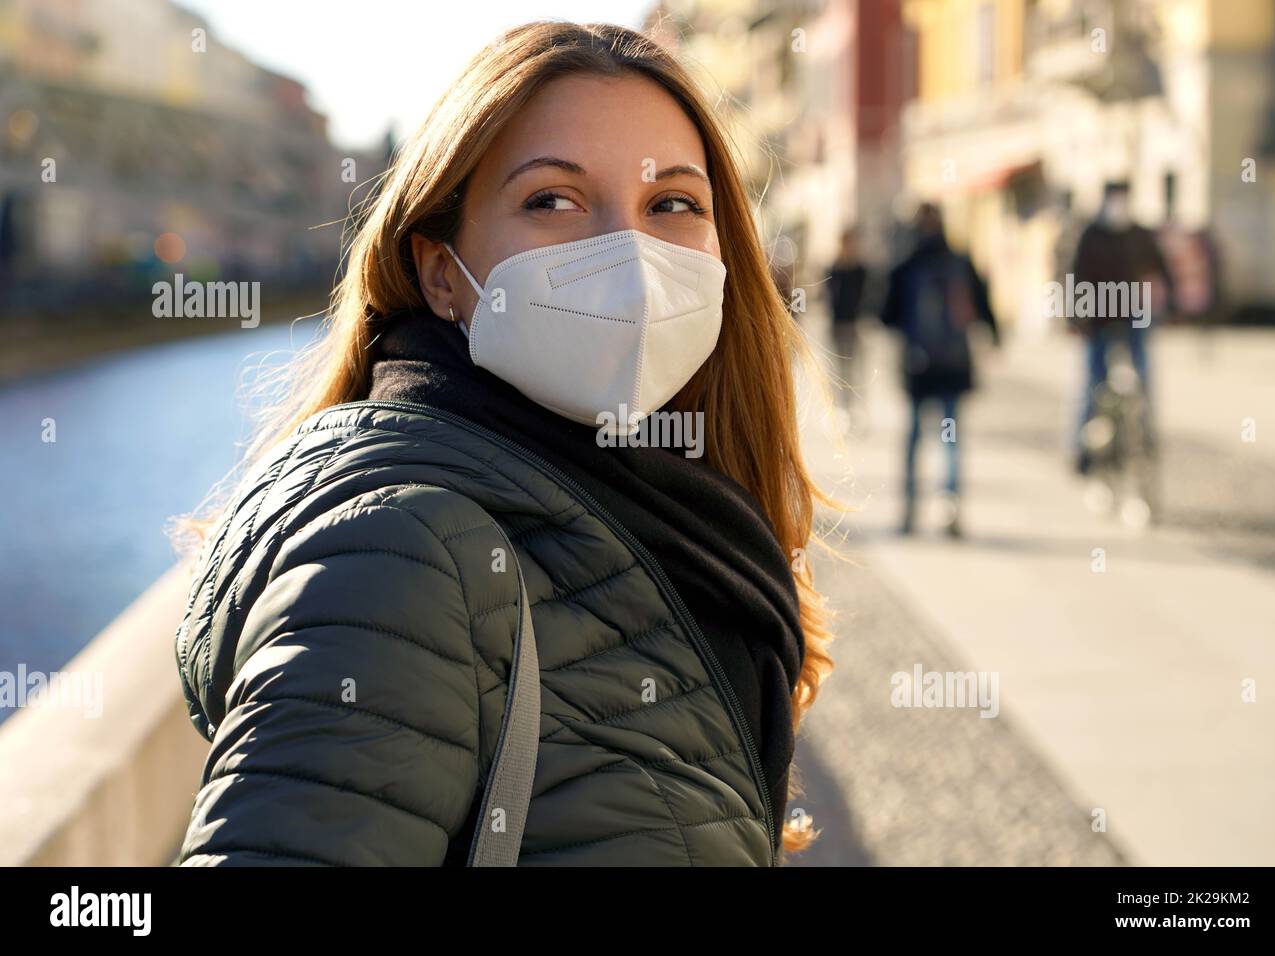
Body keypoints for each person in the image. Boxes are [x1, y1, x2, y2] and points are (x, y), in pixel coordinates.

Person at [170, 21, 841, 867]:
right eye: (552, 200)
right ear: (442, 272)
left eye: (671, 203)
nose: (629, 256)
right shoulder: (394, 553)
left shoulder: (677, 517)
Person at [880, 202, 999, 537]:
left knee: (916, 438)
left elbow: (885, 316)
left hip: (919, 369)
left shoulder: (905, 266)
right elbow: (983, 304)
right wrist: (994, 335)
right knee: (950, 437)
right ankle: (951, 507)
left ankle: (910, 507)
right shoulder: (959, 262)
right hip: (954, 366)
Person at [1068, 181, 1172, 474]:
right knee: (1092, 383)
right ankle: (1082, 448)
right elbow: (1077, 277)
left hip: (1133, 315)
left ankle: (1144, 435)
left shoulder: (1138, 234)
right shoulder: (1091, 235)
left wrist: (1171, 303)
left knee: (1143, 375)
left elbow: (1162, 269)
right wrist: (1077, 317)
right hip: (1097, 318)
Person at [824, 226, 870, 429]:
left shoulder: (861, 271)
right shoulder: (834, 269)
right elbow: (829, 297)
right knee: (839, 370)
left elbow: (868, 298)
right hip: (837, 325)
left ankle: (856, 412)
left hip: (856, 325)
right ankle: (841, 411)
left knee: (857, 370)